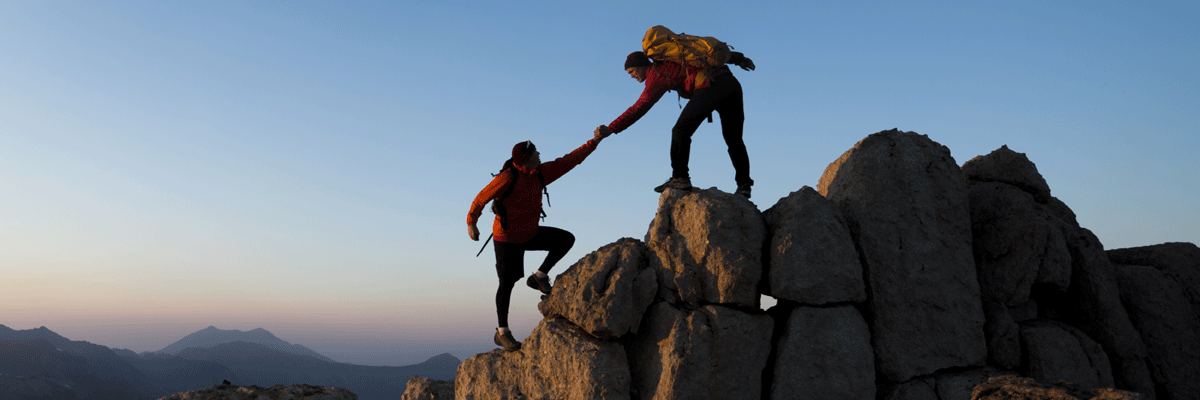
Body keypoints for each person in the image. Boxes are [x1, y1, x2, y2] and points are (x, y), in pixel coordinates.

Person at [467, 126, 613, 351]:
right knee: (507, 282)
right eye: (536, 153)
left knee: (565, 239)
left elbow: (571, 160)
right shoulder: (508, 177)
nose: (540, 155)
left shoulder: (541, 173)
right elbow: (481, 198)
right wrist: (471, 223)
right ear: (526, 159)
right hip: (506, 238)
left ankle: (539, 277)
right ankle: (502, 332)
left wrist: (594, 142)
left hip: (530, 233)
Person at [601, 50, 756, 198]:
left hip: (711, 86)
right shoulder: (674, 59)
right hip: (731, 84)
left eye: (632, 71)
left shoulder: (656, 74)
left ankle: (680, 177)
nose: (631, 76)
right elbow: (707, 54)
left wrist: (612, 127)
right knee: (734, 139)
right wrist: (739, 60)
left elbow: (639, 108)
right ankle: (744, 185)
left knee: (680, 131)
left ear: (642, 66)